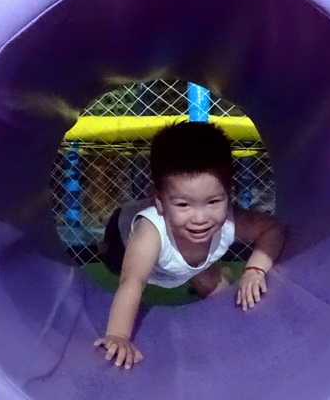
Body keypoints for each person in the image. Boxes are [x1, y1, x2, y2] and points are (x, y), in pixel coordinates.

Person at [95, 121, 285, 369]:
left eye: (213, 202)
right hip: (122, 240)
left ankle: (202, 270)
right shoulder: (151, 233)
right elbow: (133, 282)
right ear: (160, 202)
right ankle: (107, 247)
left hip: (183, 261)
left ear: (229, 194)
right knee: (115, 261)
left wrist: (254, 270)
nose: (200, 218)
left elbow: (272, 229)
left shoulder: (230, 220)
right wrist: (118, 336)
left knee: (216, 292)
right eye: (184, 205)